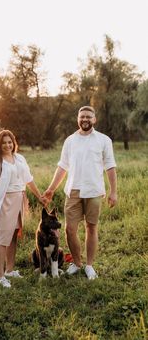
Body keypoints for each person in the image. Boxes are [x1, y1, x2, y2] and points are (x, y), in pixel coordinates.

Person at [43, 106, 117, 280]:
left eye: (89, 117)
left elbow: (110, 167)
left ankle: (89, 266)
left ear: (94, 119)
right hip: (73, 190)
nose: (85, 119)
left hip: (94, 190)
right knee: (69, 229)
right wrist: (51, 188)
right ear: (78, 118)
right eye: (82, 116)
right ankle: (76, 263)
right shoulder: (70, 140)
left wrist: (114, 191)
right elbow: (62, 166)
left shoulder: (104, 140)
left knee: (91, 227)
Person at [0, 130, 46, 288]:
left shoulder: (19, 158)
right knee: (2, 239)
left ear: (14, 143)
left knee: (13, 236)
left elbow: (29, 179)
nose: (7, 145)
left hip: (19, 199)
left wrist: (39, 197)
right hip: (5, 202)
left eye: (10, 142)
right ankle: (0, 277)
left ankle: (9, 270)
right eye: (4, 142)